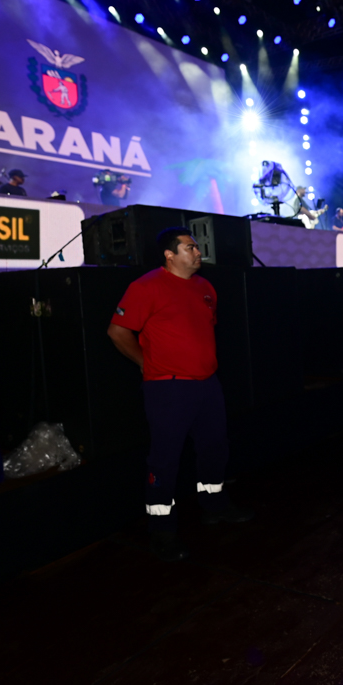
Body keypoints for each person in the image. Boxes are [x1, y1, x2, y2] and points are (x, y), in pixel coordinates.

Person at [107, 227, 250, 563]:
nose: (198, 252)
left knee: (215, 448)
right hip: (168, 387)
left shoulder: (205, 288)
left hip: (207, 385)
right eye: (190, 247)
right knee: (165, 458)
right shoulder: (146, 287)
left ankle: (214, 506)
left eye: (197, 247)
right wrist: (145, 363)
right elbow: (117, 331)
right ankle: (162, 531)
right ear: (170, 255)